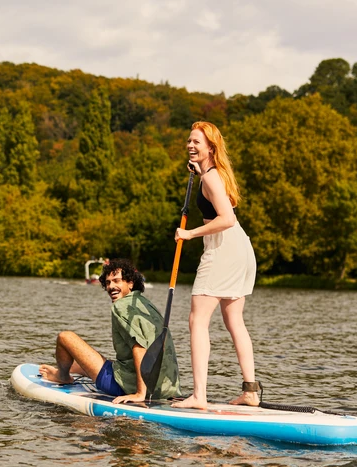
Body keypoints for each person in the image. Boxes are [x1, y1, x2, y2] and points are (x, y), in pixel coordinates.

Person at [171, 121, 259, 411]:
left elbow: (226, 219)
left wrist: (189, 234)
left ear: (211, 147)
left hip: (224, 250)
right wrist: (198, 173)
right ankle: (250, 391)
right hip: (240, 248)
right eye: (189, 141)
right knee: (234, 320)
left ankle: (199, 395)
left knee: (197, 320)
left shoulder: (211, 178)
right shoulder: (213, 174)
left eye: (197, 142)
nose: (190, 146)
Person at [39, 259, 181, 403]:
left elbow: (140, 349)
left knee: (65, 337)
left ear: (130, 283)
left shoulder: (121, 306)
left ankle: (62, 376)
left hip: (128, 387)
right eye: (107, 283)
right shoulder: (146, 304)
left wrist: (139, 394)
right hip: (165, 388)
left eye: (116, 281)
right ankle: (72, 369)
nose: (111, 286)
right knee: (80, 364)